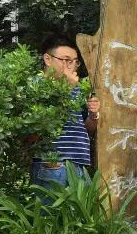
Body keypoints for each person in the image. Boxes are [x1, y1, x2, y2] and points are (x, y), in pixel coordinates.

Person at [33, 34, 100, 188]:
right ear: (48, 59)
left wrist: (93, 115)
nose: (71, 66)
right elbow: (40, 124)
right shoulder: (36, 86)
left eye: (75, 61)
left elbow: (86, 128)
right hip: (53, 165)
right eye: (66, 60)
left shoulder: (76, 89)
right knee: (51, 205)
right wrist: (66, 89)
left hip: (78, 165)